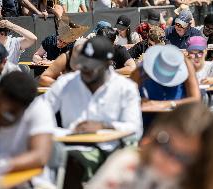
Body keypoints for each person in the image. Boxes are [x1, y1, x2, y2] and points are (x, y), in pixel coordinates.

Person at [43, 37, 142, 188]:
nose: (86, 70)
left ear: (108, 65)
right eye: (83, 65)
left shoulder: (125, 88)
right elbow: (40, 111)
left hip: (111, 150)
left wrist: (103, 126)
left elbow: (135, 129)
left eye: (92, 67)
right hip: (69, 147)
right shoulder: (66, 83)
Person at [86, 102, 213, 189]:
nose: (167, 159)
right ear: (154, 132)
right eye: (163, 143)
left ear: (200, 162)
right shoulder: (126, 163)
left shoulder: (197, 183)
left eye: (182, 158)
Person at [0, 71, 56, 186]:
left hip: (28, 182)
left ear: (25, 109)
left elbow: (40, 155)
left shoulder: (39, 110)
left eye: (10, 115)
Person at [130, 45, 200, 127]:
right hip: (147, 122)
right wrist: (139, 101)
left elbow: (195, 100)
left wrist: (167, 104)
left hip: (176, 121)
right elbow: (128, 96)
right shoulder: (141, 69)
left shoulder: (186, 65)